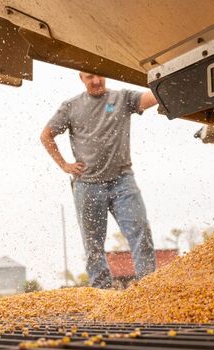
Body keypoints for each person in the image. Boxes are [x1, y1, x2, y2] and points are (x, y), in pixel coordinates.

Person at [40, 72, 159, 289]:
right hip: (88, 185)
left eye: (99, 76)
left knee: (140, 230)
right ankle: (101, 293)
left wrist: (167, 82)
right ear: (81, 78)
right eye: (89, 77)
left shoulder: (122, 99)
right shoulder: (71, 106)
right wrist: (64, 165)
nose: (95, 81)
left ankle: (150, 287)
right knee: (93, 245)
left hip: (122, 180)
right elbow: (46, 135)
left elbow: (150, 97)